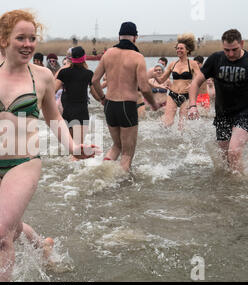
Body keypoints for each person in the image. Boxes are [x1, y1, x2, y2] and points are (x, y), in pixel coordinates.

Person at [0, 10, 100, 282]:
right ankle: (43, 246)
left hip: (24, 163)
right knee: (12, 227)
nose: (28, 44)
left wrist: (72, 147)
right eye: (21, 37)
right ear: (4, 40)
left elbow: (54, 117)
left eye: (32, 38)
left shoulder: (42, 76)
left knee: (0, 235)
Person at [188, 29, 248, 174]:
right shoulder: (216, 59)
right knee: (224, 157)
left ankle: (238, 188)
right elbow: (195, 83)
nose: (231, 54)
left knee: (234, 152)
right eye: (227, 50)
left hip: (246, 112)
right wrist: (192, 106)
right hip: (222, 113)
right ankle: (228, 188)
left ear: (242, 43)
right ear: (222, 46)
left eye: (234, 49)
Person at [92, 22, 159, 172]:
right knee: (127, 153)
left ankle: (102, 172)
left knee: (116, 146)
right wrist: (154, 104)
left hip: (109, 105)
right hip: (127, 106)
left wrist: (102, 98)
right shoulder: (138, 57)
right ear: (135, 37)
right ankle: (122, 187)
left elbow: (94, 80)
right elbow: (144, 87)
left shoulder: (108, 53)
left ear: (119, 36)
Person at [153, 33, 201, 129]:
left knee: (182, 126)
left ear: (187, 50)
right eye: (177, 48)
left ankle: (182, 143)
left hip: (186, 96)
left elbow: (200, 77)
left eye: (181, 48)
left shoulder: (193, 64)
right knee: (168, 123)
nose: (178, 50)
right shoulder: (172, 64)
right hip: (173, 95)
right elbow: (161, 79)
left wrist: (192, 83)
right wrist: (154, 75)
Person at [55, 46, 99, 151]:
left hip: (68, 112)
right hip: (81, 113)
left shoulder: (64, 73)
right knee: (79, 147)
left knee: (70, 148)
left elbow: (53, 90)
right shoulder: (88, 74)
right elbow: (94, 93)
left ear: (71, 58)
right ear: (84, 58)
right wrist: (103, 100)